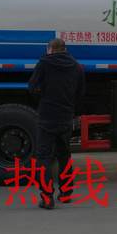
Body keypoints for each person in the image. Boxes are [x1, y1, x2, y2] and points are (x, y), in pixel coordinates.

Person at [28, 38, 85, 209]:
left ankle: (47, 198)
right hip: (65, 117)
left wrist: (42, 96)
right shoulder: (76, 67)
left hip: (46, 116)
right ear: (64, 49)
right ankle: (66, 193)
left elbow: (31, 87)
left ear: (51, 49)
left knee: (43, 157)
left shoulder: (44, 64)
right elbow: (80, 93)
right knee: (64, 155)